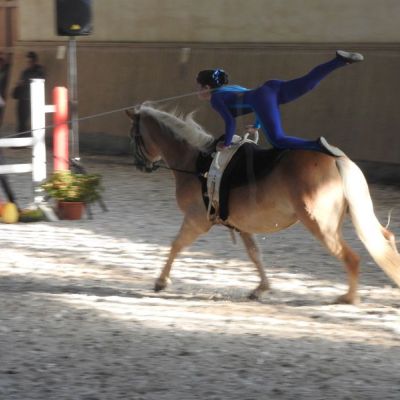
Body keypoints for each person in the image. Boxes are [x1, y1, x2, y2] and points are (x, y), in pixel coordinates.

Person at [196, 50, 364, 155]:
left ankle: (317, 146)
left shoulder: (216, 99)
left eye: (199, 87)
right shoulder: (230, 88)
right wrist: (256, 126)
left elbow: (231, 121)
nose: (198, 91)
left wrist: (226, 144)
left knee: (278, 140)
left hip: (264, 98)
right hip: (272, 88)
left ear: (207, 87)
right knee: (307, 83)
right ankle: (339, 61)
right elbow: (254, 100)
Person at [12, 51, 45, 134]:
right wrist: (20, 84)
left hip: (31, 99)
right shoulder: (25, 72)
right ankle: (20, 136)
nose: (28, 64)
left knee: (28, 120)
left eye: (30, 62)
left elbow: (38, 82)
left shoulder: (39, 71)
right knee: (21, 120)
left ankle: (24, 136)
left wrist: (24, 83)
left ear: (35, 61)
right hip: (22, 99)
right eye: (27, 62)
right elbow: (22, 81)